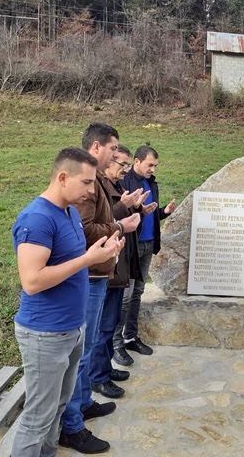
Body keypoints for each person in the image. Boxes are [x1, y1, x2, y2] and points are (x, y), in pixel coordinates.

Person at [11, 147, 124, 457]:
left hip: (73, 329)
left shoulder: (70, 213)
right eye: (87, 182)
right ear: (63, 177)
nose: (92, 190)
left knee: (58, 408)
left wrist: (103, 253)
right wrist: (88, 258)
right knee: (38, 418)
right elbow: (32, 281)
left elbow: (72, 262)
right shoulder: (36, 218)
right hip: (45, 334)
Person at [59, 123, 140, 454]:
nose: (117, 155)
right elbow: (87, 229)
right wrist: (121, 225)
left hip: (96, 272)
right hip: (89, 274)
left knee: (88, 346)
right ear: (97, 147)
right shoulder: (86, 185)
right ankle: (72, 424)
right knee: (82, 350)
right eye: (113, 149)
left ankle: (83, 403)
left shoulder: (94, 182)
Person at [90, 145, 148, 399]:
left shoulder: (114, 187)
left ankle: (105, 368)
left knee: (110, 322)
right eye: (121, 164)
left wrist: (136, 209)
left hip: (118, 265)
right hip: (105, 267)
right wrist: (123, 208)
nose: (125, 169)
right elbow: (99, 226)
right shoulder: (98, 186)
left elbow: (121, 224)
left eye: (126, 165)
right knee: (102, 327)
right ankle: (98, 377)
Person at [113, 145, 176, 366]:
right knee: (125, 296)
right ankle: (115, 343)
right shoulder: (124, 182)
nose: (152, 169)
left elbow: (146, 214)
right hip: (131, 245)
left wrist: (164, 212)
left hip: (148, 244)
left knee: (138, 292)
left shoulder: (151, 183)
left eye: (155, 165)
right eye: (150, 164)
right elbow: (124, 213)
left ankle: (130, 337)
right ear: (137, 162)